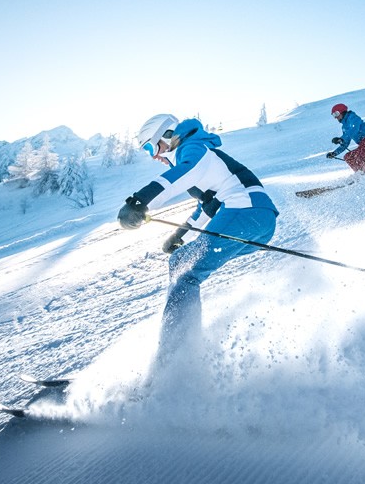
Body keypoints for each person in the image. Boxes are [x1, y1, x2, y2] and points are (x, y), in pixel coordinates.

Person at [117, 114, 278, 363]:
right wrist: (179, 235)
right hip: (257, 221)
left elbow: (181, 175)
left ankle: (176, 358)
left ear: (167, 135)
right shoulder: (197, 154)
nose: (152, 155)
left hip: (246, 210)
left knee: (185, 270)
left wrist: (139, 202)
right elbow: (206, 206)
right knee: (182, 260)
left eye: (150, 146)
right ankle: (182, 348)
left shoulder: (192, 149)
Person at [327, 103, 365, 173]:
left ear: (342, 111)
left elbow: (354, 129)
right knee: (348, 157)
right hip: (364, 142)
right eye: (333, 115)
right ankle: (361, 173)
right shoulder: (344, 127)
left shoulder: (353, 117)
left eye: (336, 114)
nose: (336, 117)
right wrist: (334, 153)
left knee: (358, 155)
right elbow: (345, 143)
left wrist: (341, 138)